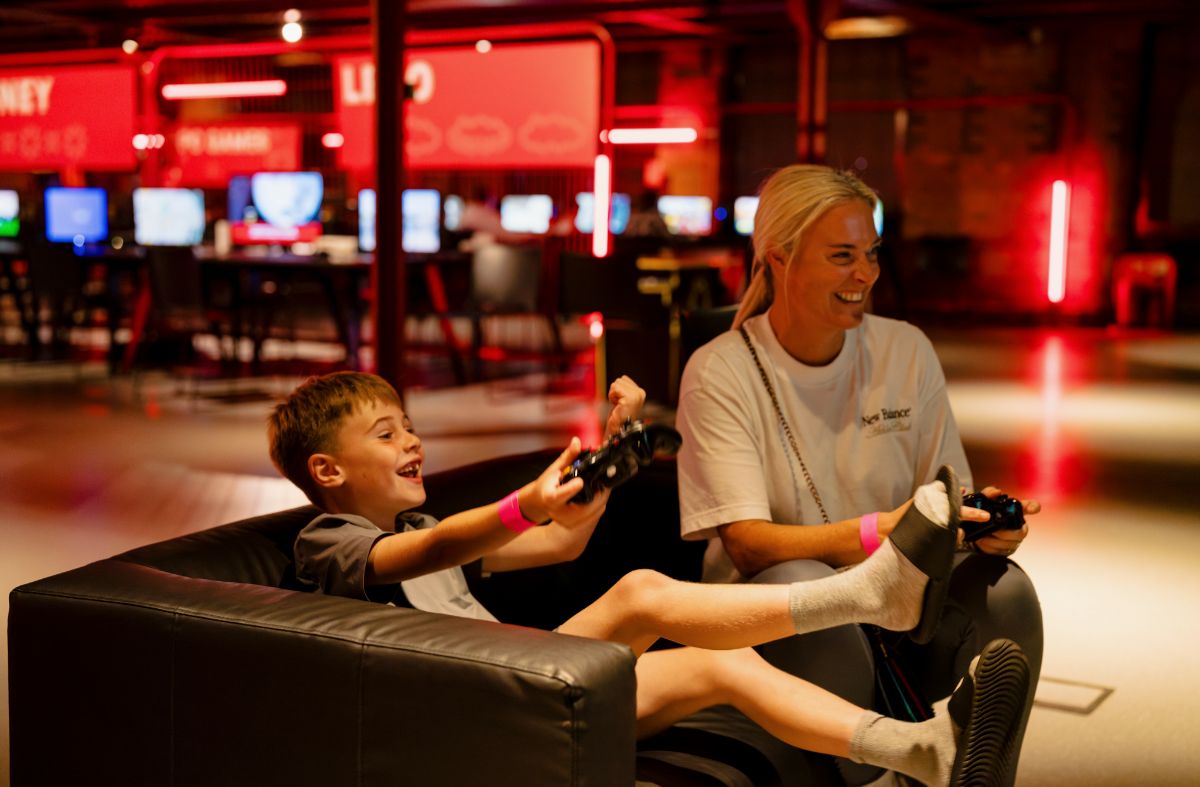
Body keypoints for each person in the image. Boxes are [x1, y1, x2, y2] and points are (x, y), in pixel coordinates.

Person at [267, 369, 1032, 787]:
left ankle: (917, 751)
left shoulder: (423, 531)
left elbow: (559, 548)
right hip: (458, 714)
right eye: (386, 432)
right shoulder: (328, 541)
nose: (413, 440)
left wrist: (607, 460)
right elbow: (411, 559)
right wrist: (520, 503)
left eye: (408, 424)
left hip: (508, 691)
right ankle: (871, 595)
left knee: (720, 664)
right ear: (327, 469)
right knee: (638, 591)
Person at [675, 164, 1043, 785]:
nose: (866, 274)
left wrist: (976, 524)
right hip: (777, 620)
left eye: (871, 253)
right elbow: (747, 543)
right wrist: (885, 534)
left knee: (1006, 590)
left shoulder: (905, 350)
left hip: (902, 615)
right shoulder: (721, 371)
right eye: (842, 255)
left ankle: (976, 773)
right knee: (800, 580)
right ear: (778, 258)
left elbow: (944, 497)